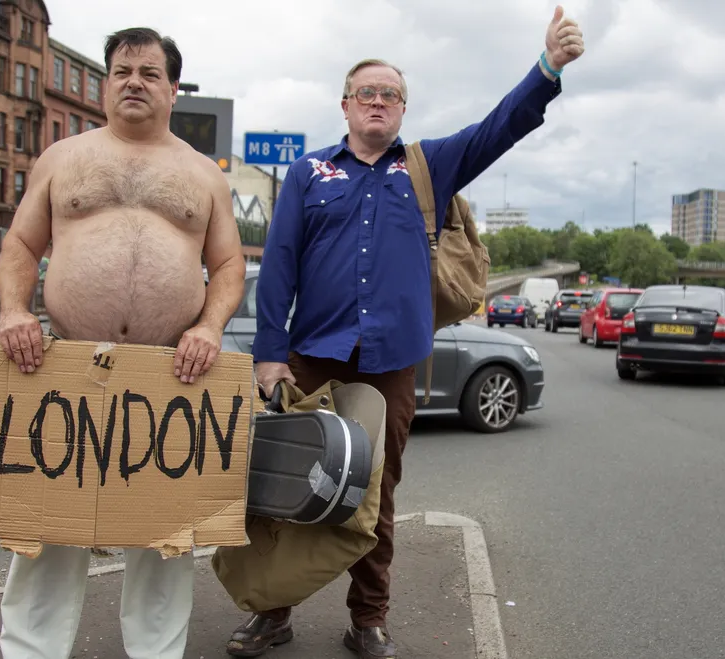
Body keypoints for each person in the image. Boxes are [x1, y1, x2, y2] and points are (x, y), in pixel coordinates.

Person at [232, 7, 585, 658]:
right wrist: (268, 354)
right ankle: (271, 610)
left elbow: (497, 129)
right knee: (284, 482)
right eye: (366, 92)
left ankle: (368, 618)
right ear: (345, 106)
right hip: (313, 358)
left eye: (389, 94)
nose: (377, 101)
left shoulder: (425, 168)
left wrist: (547, 69)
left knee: (375, 490)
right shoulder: (310, 174)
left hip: (392, 362)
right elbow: (278, 265)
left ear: (401, 109)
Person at [0, 27, 246, 659]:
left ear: (172, 88)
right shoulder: (62, 158)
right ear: (106, 85)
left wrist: (208, 326)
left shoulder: (202, 174)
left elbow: (231, 266)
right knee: (49, 527)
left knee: (162, 532)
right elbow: (23, 245)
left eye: (149, 72)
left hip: (171, 371)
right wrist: (13, 310)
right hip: (65, 363)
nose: (134, 81)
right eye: (122, 71)